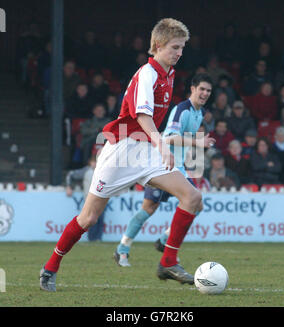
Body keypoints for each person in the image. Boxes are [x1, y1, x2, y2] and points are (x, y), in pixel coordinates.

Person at [40, 18, 199, 292]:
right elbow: (142, 115)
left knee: (193, 196)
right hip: (122, 149)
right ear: (158, 45)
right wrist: (162, 145)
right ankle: (50, 267)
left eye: (182, 47)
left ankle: (168, 262)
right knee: (88, 218)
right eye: (175, 47)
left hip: (146, 149)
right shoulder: (147, 74)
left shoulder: (169, 74)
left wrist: (157, 145)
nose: (179, 52)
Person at [114, 73, 214, 267]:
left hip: (179, 168)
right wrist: (197, 142)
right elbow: (168, 138)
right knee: (149, 208)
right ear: (192, 89)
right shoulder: (182, 110)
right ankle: (122, 249)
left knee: (197, 204)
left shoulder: (198, 113)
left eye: (208, 90)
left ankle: (164, 240)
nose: (205, 93)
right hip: (162, 166)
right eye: (202, 89)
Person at [65, 155, 105, 241]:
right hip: (90, 200)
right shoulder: (86, 171)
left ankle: (98, 238)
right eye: (93, 161)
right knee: (91, 219)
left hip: (102, 199)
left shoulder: (103, 171)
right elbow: (71, 174)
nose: (95, 163)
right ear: (90, 162)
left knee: (100, 220)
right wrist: (69, 186)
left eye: (97, 161)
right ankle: (92, 238)